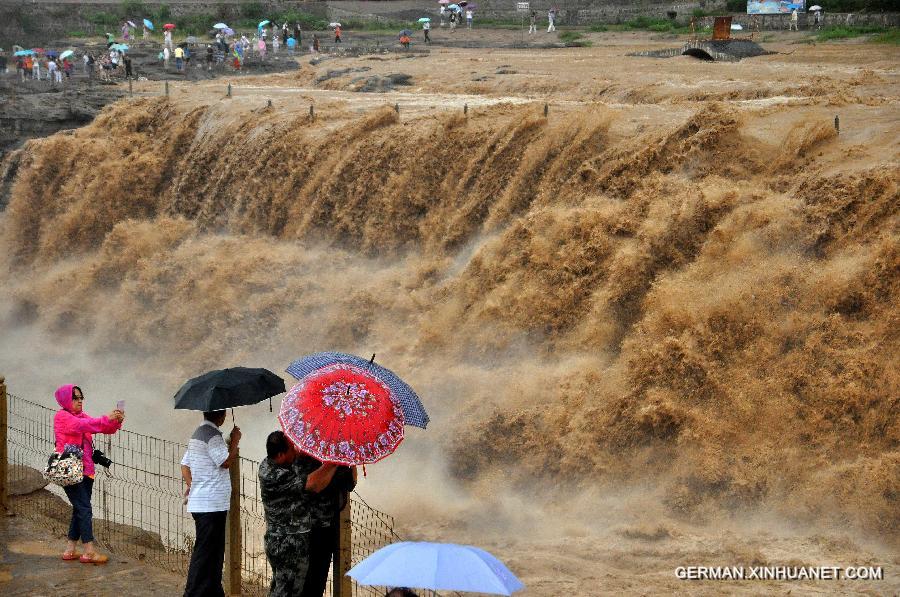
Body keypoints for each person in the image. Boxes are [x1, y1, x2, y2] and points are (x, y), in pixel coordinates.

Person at [259, 432, 337, 597]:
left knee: (284, 587)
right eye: (291, 449)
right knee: (285, 592)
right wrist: (334, 461)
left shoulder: (268, 464)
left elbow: (295, 457)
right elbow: (313, 484)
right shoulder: (277, 476)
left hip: (280, 541)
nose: (295, 450)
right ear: (280, 455)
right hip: (287, 544)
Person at [54, 384, 124, 564]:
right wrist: (105, 418)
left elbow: (100, 427)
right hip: (70, 471)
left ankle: (70, 550)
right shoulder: (63, 417)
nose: (79, 401)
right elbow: (83, 425)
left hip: (86, 471)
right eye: (75, 398)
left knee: (80, 508)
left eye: (80, 397)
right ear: (65, 400)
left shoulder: (80, 416)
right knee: (85, 509)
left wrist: (115, 421)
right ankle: (89, 552)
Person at [181, 410, 241, 597]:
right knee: (205, 553)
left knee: (213, 552)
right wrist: (235, 441)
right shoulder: (213, 436)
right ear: (221, 417)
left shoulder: (197, 434)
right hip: (211, 505)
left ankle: (214, 591)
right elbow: (225, 462)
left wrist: (193, 485)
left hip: (204, 503)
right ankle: (192, 593)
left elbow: (184, 465)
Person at [298, 454, 356, 597]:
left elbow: (350, 483)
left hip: (318, 530)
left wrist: (351, 461)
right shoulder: (306, 459)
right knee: (307, 584)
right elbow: (314, 486)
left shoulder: (308, 455)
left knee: (312, 583)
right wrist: (336, 462)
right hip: (310, 531)